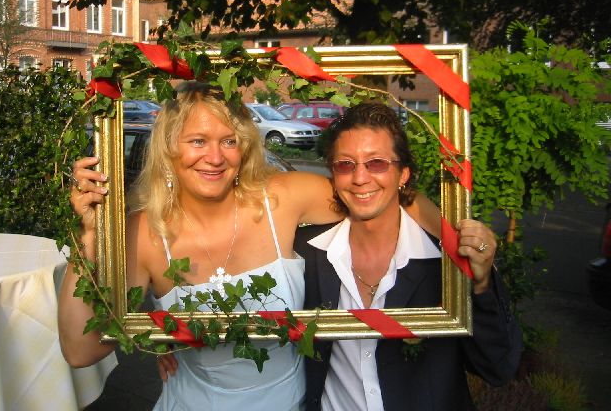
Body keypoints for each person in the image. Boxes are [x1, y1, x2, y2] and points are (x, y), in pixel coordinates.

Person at [59, 88, 441, 411]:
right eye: (197, 141)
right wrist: (89, 235)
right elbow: (81, 350)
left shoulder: (279, 199)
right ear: (169, 148)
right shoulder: (144, 232)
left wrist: (457, 240)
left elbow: (378, 191)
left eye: (229, 141)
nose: (215, 157)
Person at [294, 103, 523, 410]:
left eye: (376, 163)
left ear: (403, 173)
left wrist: (481, 285)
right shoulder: (306, 253)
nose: (360, 177)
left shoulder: (444, 261)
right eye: (345, 164)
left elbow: (498, 368)